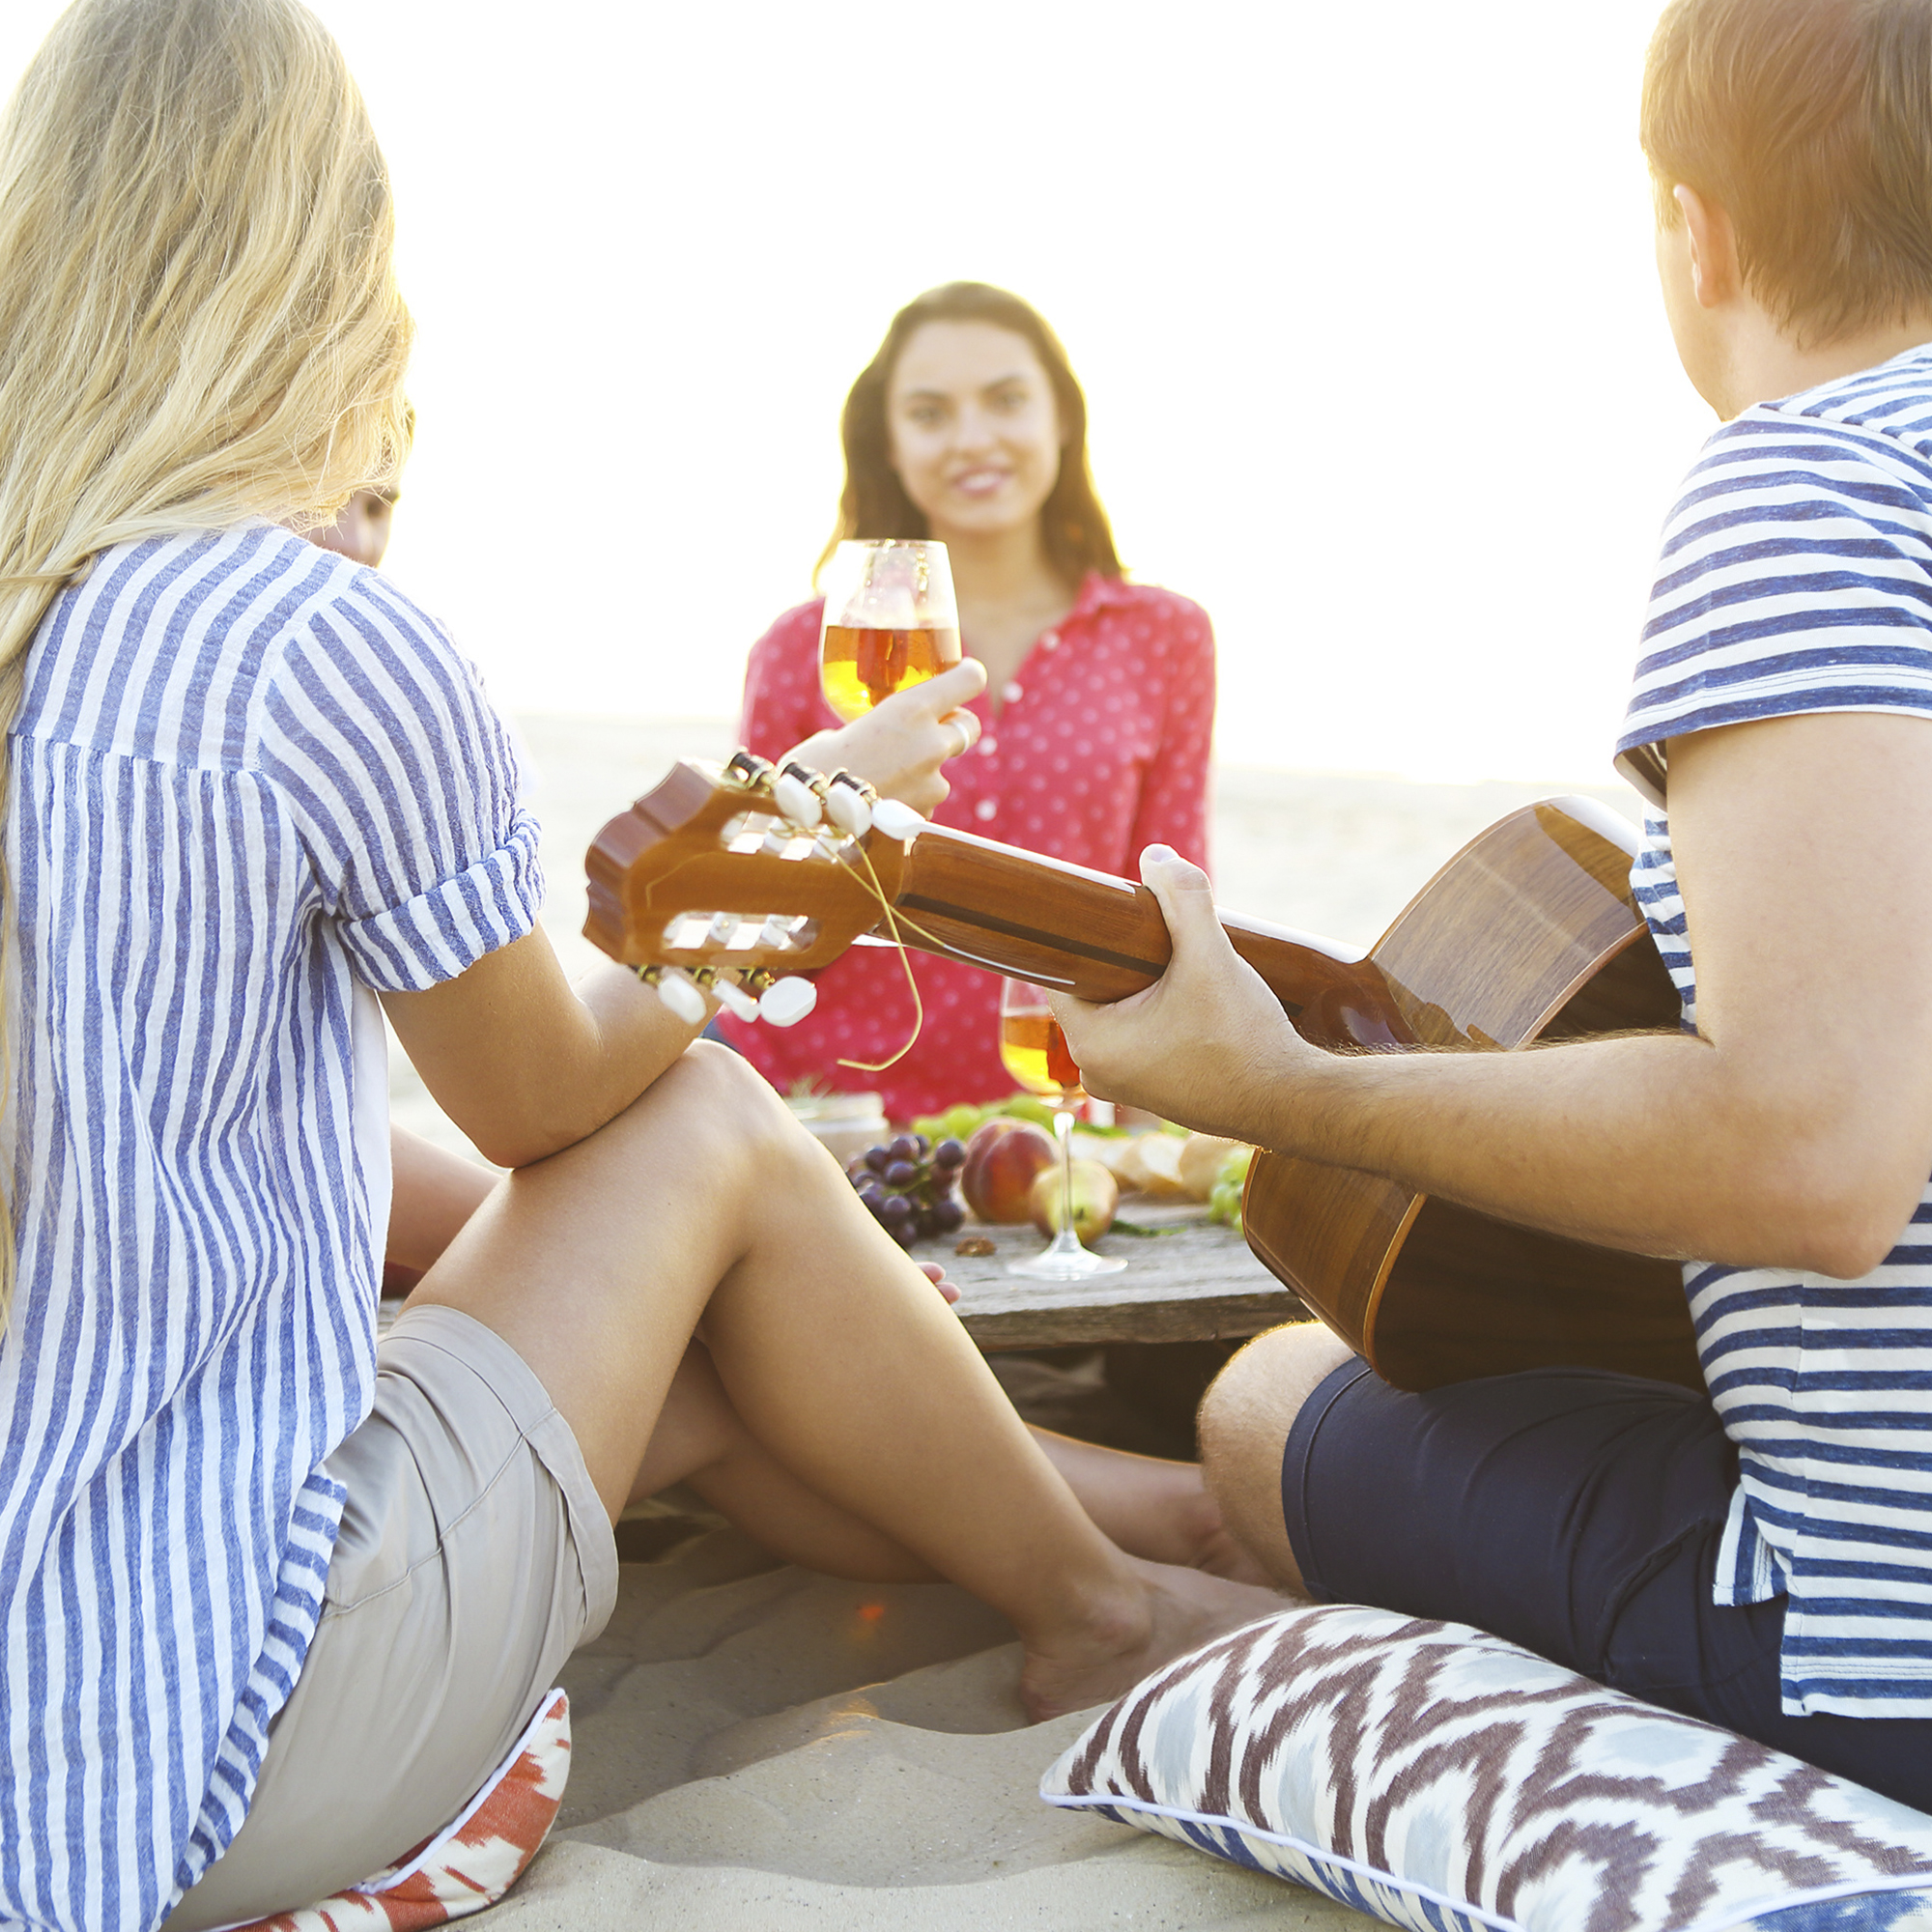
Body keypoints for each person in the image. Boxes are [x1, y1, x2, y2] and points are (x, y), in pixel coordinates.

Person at [0, 9, 1278, 1931]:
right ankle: (1103, 1600)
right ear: (330, 259)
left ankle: (1141, 1530)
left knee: (670, 1346)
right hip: (210, 1730)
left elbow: (187, 1138)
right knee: (695, 1118)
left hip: (41, 1696)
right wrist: (786, 845)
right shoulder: (297, 632)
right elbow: (551, 1095)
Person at [1052, 0, 1932, 1815]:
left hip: (1881, 1647)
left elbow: (1817, 1154)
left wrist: (1273, 1087)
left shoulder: (1812, 480)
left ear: (1695, 229)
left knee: (1263, 1389)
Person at [722, 283, 1217, 1122]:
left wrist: (1146, 1133)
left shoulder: (1166, 637)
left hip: (1058, 1121)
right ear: (890, 442)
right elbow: (753, 914)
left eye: (1006, 400)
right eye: (929, 412)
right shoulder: (799, 650)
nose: (972, 439)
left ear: (1061, 416)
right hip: (827, 1125)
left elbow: (1167, 917)